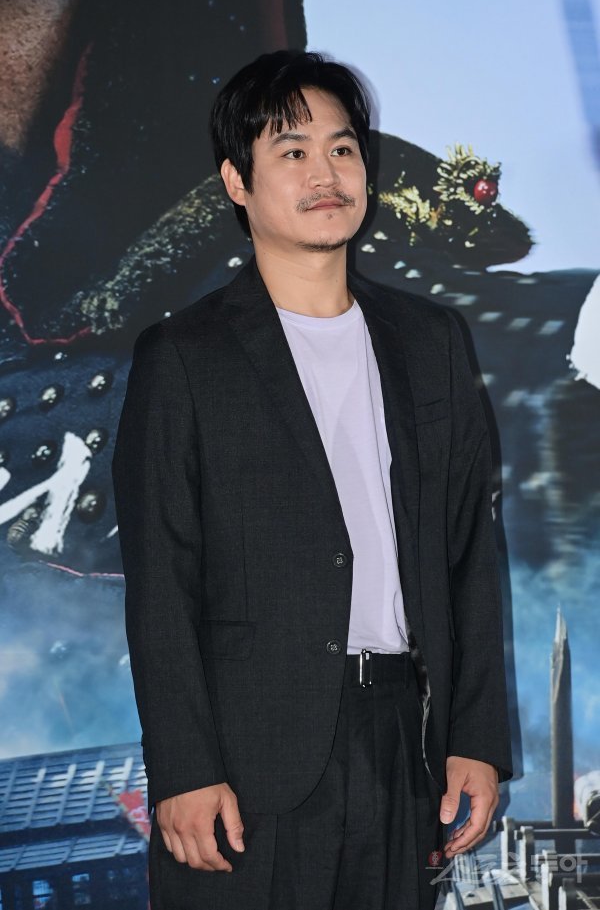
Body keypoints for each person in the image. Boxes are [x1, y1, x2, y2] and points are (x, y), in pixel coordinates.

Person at [112, 50, 512, 910]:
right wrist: (183, 767)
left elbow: (470, 553)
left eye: (342, 149)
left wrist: (474, 737)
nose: (325, 174)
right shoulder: (184, 355)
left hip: (399, 742)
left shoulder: (431, 341)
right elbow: (161, 577)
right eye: (291, 152)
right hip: (245, 765)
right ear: (237, 182)